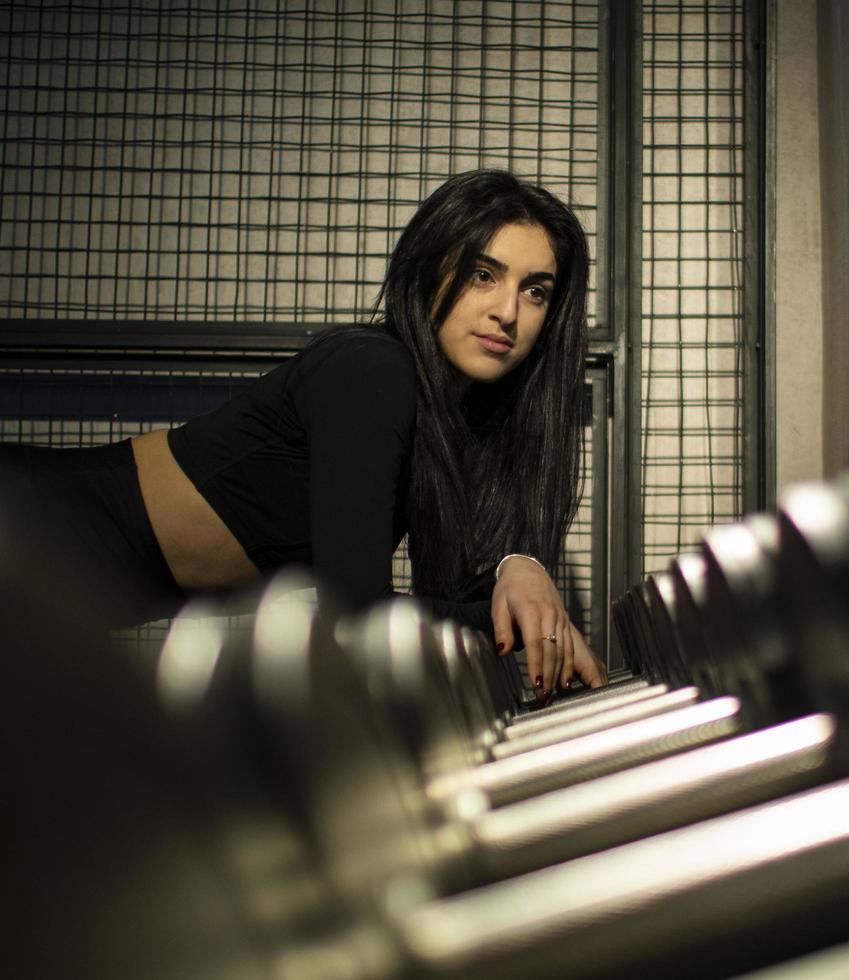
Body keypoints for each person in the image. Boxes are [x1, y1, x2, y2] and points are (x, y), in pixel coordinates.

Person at [0, 170, 606, 697]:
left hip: (72, 588)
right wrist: (525, 623)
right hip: (26, 532)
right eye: (482, 274)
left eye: (535, 290)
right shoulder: (373, 370)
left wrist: (516, 566)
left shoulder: (448, 422)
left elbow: (445, 590)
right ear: (429, 272)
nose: (508, 311)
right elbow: (358, 618)